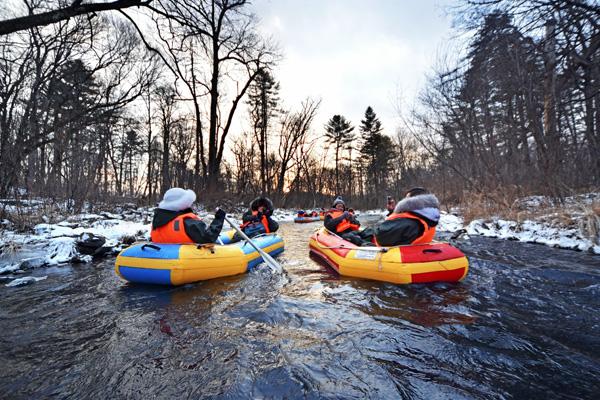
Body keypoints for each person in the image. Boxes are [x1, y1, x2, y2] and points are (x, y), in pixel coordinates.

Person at [151, 188, 226, 244]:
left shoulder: (157, 220)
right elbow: (208, 238)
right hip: (187, 260)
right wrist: (219, 218)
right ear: (182, 203)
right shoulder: (187, 221)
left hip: (162, 258)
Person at [374, 187, 440, 246]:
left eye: (406, 199)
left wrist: (376, 227)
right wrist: (393, 212)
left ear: (411, 201)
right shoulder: (429, 217)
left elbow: (380, 236)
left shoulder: (410, 223)